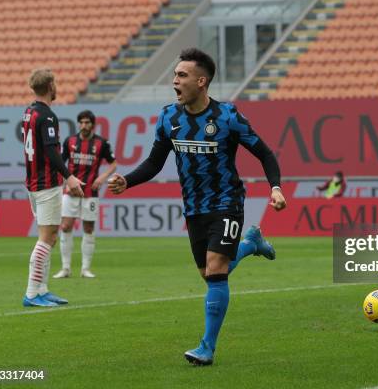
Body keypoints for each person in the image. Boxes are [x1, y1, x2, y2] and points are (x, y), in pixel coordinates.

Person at [107, 48, 287, 366]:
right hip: (193, 208)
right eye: (175, 74)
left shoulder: (227, 117)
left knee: (217, 270)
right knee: (210, 274)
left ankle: (207, 347)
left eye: (182, 75)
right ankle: (249, 244)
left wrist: (275, 188)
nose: (174, 80)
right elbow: (153, 162)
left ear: (201, 81)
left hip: (226, 203)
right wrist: (128, 181)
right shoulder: (169, 117)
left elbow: (265, 153)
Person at [21, 68, 84, 307]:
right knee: (47, 239)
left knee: (49, 237)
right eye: (55, 83)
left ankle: (42, 289)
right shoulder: (47, 115)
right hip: (46, 184)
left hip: (33, 183)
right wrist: (69, 177)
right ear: (50, 86)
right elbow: (51, 150)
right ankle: (31, 293)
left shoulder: (29, 112)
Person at [53, 110, 117, 279]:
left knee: (88, 228)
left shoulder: (102, 143)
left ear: (93, 124)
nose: (84, 125)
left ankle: (85, 269)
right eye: (81, 122)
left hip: (90, 192)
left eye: (87, 122)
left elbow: (113, 164)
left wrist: (102, 178)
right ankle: (65, 268)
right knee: (65, 226)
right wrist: (65, 180)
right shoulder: (70, 141)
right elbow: (60, 163)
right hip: (71, 191)